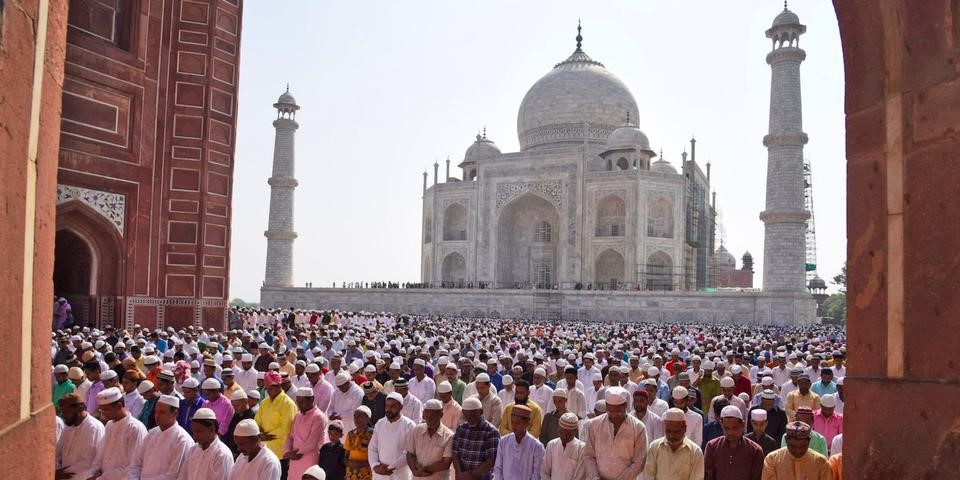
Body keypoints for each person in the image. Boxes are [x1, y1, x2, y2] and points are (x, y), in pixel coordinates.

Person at [583, 387, 648, 480]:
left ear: (625, 405)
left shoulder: (638, 428)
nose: (614, 415)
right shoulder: (595, 425)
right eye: (610, 411)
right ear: (606, 405)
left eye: (618, 411)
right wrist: (595, 477)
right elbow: (588, 455)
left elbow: (639, 461)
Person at [89, 387, 148, 480]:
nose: (103, 414)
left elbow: (132, 466)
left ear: (119, 406)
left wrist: (103, 478)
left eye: (106, 410)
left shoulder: (135, 428)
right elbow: (100, 455)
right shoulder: (109, 425)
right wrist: (93, 473)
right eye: (101, 410)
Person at [131, 394, 194, 479]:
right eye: (156, 412)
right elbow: (136, 463)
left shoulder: (182, 439)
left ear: (174, 414)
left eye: (162, 412)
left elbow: (173, 475)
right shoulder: (151, 433)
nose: (157, 415)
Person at [256, 370, 298, 478]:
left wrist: (266, 436)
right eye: (267, 388)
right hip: (264, 449)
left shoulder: (288, 404)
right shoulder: (264, 402)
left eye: (270, 388)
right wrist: (259, 434)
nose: (268, 391)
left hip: (280, 452)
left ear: (278, 386)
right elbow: (257, 421)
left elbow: (285, 428)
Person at [703, 406, 763, 480]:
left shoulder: (755, 450)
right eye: (726, 428)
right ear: (721, 425)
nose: (730, 432)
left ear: (743, 425)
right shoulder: (712, 447)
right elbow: (708, 476)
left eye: (734, 428)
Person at [644, 408, 705, 480]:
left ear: (685, 428)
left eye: (676, 432)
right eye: (668, 431)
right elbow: (648, 475)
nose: (671, 436)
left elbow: (697, 478)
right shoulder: (654, 447)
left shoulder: (695, 452)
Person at [56, 393, 105, 480]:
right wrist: (56, 470)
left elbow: (88, 462)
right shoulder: (68, 427)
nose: (63, 416)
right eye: (62, 412)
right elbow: (57, 453)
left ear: (80, 408)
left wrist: (63, 474)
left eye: (66, 412)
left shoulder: (93, 427)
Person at [369, 392, 417, 479]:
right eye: (386, 406)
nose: (388, 409)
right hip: (380, 475)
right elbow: (372, 448)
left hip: (400, 475)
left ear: (401, 407)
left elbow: (409, 452)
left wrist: (390, 468)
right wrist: (375, 466)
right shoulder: (380, 423)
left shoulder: (409, 425)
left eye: (392, 406)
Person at [285, 387, 329, 480]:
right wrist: (288, 451)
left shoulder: (319, 417)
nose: (299, 405)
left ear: (312, 399)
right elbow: (290, 436)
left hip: (309, 458)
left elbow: (312, 442)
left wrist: (297, 454)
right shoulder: (297, 415)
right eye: (298, 402)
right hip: (294, 458)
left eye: (302, 402)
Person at [761, 421, 831, 480]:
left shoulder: (821, 462)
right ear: (786, 440)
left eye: (802, 446)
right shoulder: (772, 460)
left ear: (809, 441)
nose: (798, 451)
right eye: (793, 446)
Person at [178, 408, 235, 480]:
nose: (195, 436)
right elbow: (183, 475)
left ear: (212, 429)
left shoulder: (222, 454)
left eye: (198, 431)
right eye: (194, 432)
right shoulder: (193, 450)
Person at [451, 396, 499, 480]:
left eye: (473, 416)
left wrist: (469, 475)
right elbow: (455, 454)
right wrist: (459, 473)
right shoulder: (461, 429)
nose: (470, 420)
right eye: (467, 417)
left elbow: (491, 460)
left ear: (481, 411)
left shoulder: (491, 432)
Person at [493, 404, 545, 480]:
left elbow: (537, 474)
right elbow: (498, 468)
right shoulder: (503, 442)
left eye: (517, 423)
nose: (513, 426)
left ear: (527, 423)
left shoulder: (536, 446)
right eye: (512, 422)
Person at [405, 399, 454, 479]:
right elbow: (409, 453)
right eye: (427, 417)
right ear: (424, 415)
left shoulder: (449, 436)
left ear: (441, 415)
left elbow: (446, 463)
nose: (429, 420)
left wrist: (422, 470)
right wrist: (414, 471)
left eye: (433, 417)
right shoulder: (417, 430)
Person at [541, 412, 585, 480]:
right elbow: (544, 472)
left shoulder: (581, 448)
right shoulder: (552, 445)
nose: (564, 437)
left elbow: (580, 476)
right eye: (561, 433)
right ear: (558, 429)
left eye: (568, 435)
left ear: (575, 431)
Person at [344, 407, 374, 480]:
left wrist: (361, 464)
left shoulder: (373, 434)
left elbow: (376, 457)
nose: (356, 419)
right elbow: (345, 456)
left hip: (366, 475)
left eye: (359, 416)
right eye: (355, 416)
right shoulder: (350, 434)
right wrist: (349, 463)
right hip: (351, 474)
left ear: (368, 418)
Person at [226, 389, 256, 456]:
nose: (235, 408)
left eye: (237, 406)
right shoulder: (236, 415)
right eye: (233, 406)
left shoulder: (252, 417)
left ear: (246, 402)